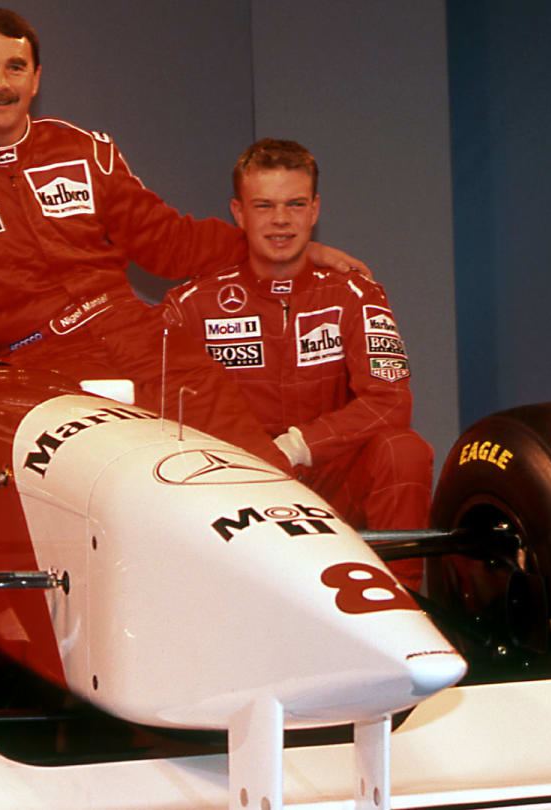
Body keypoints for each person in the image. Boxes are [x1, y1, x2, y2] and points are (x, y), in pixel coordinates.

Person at [0, 7, 369, 471]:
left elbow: (169, 240)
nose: (1, 83)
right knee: (133, 496)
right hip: (45, 367)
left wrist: (279, 249)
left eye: (15, 67)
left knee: (257, 474)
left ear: (36, 79)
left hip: (145, 339)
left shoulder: (84, 150)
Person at [164, 139, 432, 588]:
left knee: (403, 450)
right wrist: (248, 460)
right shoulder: (191, 305)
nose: (281, 220)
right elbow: (163, 416)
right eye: (264, 205)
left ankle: (402, 600)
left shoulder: (357, 294)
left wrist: (297, 446)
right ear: (239, 213)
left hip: (331, 481)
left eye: (295, 204)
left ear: (315, 210)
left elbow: (390, 402)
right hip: (234, 491)